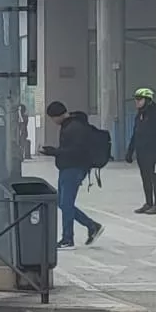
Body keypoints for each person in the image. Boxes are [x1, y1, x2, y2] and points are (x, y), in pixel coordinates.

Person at [40, 100, 104, 248]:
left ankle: (68, 238)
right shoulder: (69, 125)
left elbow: (76, 151)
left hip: (73, 169)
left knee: (66, 204)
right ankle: (91, 226)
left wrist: (54, 152)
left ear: (58, 115)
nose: (53, 121)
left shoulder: (74, 127)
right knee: (62, 203)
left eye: (52, 118)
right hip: (67, 168)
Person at [127, 87, 156, 215]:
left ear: (147, 100)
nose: (137, 102)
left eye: (139, 99)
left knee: (154, 177)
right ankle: (148, 203)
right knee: (145, 178)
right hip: (142, 153)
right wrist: (130, 151)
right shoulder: (139, 115)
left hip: (154, 152)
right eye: (136, 99)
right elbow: (135, 134)